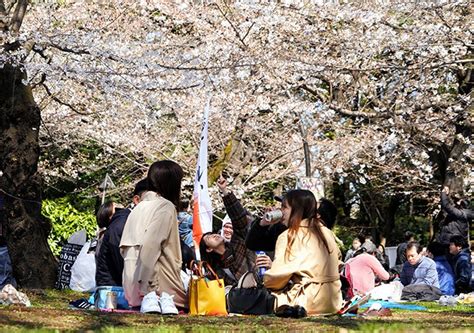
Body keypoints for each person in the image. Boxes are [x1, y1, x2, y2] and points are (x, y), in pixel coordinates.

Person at [120, 160, 186, 311]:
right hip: (157, 292)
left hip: (131, 291)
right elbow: (150, 247)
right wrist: (148, 290)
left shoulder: (138, 208)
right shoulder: (165, 207)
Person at [263, 190, 342, 315]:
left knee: (251, 297)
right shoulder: (327, 233)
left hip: (306, 300)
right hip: (333, 301)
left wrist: (266, 281)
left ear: (297, 210)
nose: (281, 212)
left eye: (285, 207)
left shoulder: (289, 236)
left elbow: (277, 277)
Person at [199, 176, 255, 285]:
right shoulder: (215, 272)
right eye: (208, 237)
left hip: (259, 291)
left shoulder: (238, 244)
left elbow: (239, 219)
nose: (214, 235)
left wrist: (225, 191)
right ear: (209, 249)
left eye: (213, 233)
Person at [95, 179, 148, 287]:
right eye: (116, 206)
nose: (119, 205)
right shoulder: (118, 227)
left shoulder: (117, 226)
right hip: (115, 290)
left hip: (113, 285)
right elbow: (122, 264)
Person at [246, 196, 338, 252]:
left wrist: (274, 269)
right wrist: (262, 224)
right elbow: (252, 244)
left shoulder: (324, 238)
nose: (281, 209)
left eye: (285, 207)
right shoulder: (283, 230)